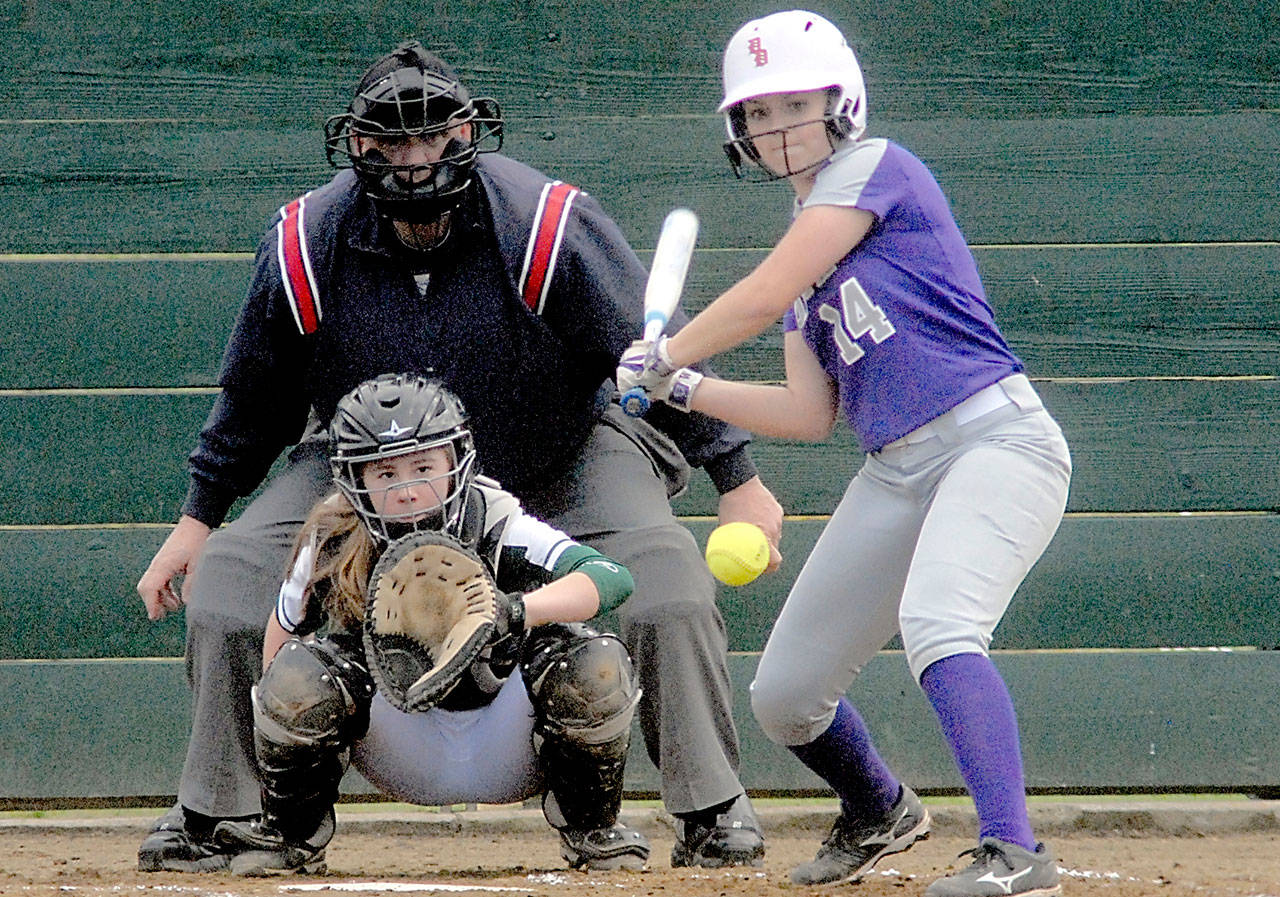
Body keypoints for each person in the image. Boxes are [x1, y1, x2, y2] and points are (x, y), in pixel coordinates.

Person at [135, 39, 782, 874]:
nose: (414, 160)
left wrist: (739, 476)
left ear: (469, 132)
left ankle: (711, 802)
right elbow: (254, 400)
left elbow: (650, 358)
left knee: (668, 579)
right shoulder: (303, 241)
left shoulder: (547, 223)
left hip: (558, 449)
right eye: (391, 142)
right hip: (359, 472)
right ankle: (221, 811)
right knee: (224, 585)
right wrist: (197, 520)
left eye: (433, 137)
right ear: (356, 146)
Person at [617, 10, 1070, 897]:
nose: (774, 126)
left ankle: (1016, 851)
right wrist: (682, 391)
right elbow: (806, 410)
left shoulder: (877, 168)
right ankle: (878, 808)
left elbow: (764, 288)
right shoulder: (807, 259)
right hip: (896, 468)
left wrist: (672, 355)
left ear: (841, 103)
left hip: (996, 439)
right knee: (784, 694)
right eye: (755, 112)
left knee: (942, 622)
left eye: (794, 104)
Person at [211, 373, 650, 874]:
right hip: (397, 742)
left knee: (595, 663)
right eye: (384, 473)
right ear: (354, 479)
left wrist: (514, 611)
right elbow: (282, 635)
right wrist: (286, 725)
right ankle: (290, 833)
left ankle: (592, 828)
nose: (406, 490)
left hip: (509, 740)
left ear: (456, 461)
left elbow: (611, 577)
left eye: (423, 466)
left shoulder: (496, 518)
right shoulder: (332, 534)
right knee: (295, 674)